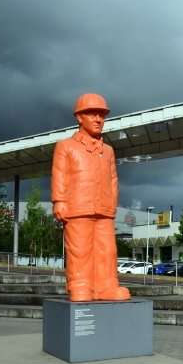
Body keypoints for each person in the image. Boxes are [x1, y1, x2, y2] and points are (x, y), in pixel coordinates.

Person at [51, 93, 130, 302]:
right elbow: (59, 174)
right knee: (80, 250)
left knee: (107, 251)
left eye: (101, 115)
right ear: (79, 117)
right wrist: (59, 201)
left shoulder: (108, 151)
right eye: (93, 114)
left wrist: (112, 203)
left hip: (104, 209)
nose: (98, 119)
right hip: (77, 207)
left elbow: (113, 179)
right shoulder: (65, 146)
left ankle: (107, 287)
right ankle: (80, 286)